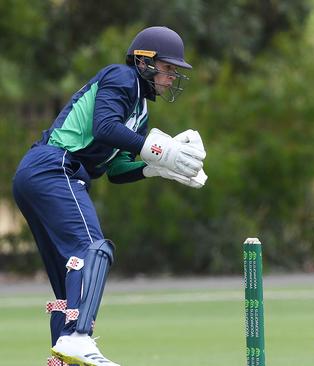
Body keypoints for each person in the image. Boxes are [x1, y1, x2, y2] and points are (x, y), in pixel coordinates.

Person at [12, 26, 207, 366]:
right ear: (144, 62)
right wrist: (159, 149)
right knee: (92, 248)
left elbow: (116, 171)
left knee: (69, 279)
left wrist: (155, 167)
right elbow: (104, 126)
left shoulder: (141, 112)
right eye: (168, 68)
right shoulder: (122, 78)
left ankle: (63, 354)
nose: (171, 76)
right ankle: (77, 337)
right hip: (54, 166)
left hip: (44, 175)